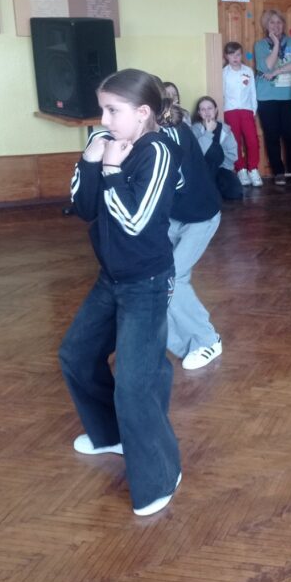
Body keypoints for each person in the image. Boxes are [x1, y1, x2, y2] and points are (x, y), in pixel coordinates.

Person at [58, 68, 182, 517]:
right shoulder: (108, 142)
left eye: (113, 110)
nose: (104, 120)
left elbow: (135, 222)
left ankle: (162, 474)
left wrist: (111, 169)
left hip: (147, 283)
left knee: (134, 384)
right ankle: (110, 435)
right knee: (76, 354)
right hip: (110, 278)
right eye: (103, 110)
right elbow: (84, 208)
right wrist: (90, 161)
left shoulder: (159, 152)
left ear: (143, 112)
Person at [159, 99, 225, 371]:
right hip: (175, 215)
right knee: (160, 276)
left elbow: (173, 181)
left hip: (200, 217)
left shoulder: (171, 135)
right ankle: (184, 343)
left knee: (172, 277)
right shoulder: (151, 135)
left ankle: (208, 340)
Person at [254, 9, 291, 184]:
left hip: (289, 97)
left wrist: (277, 72)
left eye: (279, 22)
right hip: (267, 97)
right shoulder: (260, 45)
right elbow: (265, 67)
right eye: (272, 22)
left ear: (283, 24)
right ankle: (278, 172)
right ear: (266, 26)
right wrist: (276, 44)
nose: (276, 26)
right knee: (272, 136)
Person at [221, 41, 262, 187]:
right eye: (231, 54)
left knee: (252, 140)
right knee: (235, 141)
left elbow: (252, 92)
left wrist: (253, 110)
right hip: (230, 111)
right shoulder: (224, 73)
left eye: (238, 54)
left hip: (246, 111)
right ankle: (241, 169)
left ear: (241, 55)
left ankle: (253, 169)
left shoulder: (248, 71)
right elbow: (222, 94)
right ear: (226, 56)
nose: (235, 58)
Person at [192, 96, 242, 200]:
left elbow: (233, 154)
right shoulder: (194, 130)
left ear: (215, 110)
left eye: (210, 108)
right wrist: (208, 132)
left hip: (222, 168)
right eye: (203, 109)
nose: (207, 112)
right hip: (202, 170)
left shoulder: (225, 129)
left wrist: (220, 167)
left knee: (235, 192)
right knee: (213, 149)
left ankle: (213, 187)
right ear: (199, 113)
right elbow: (197, 153)